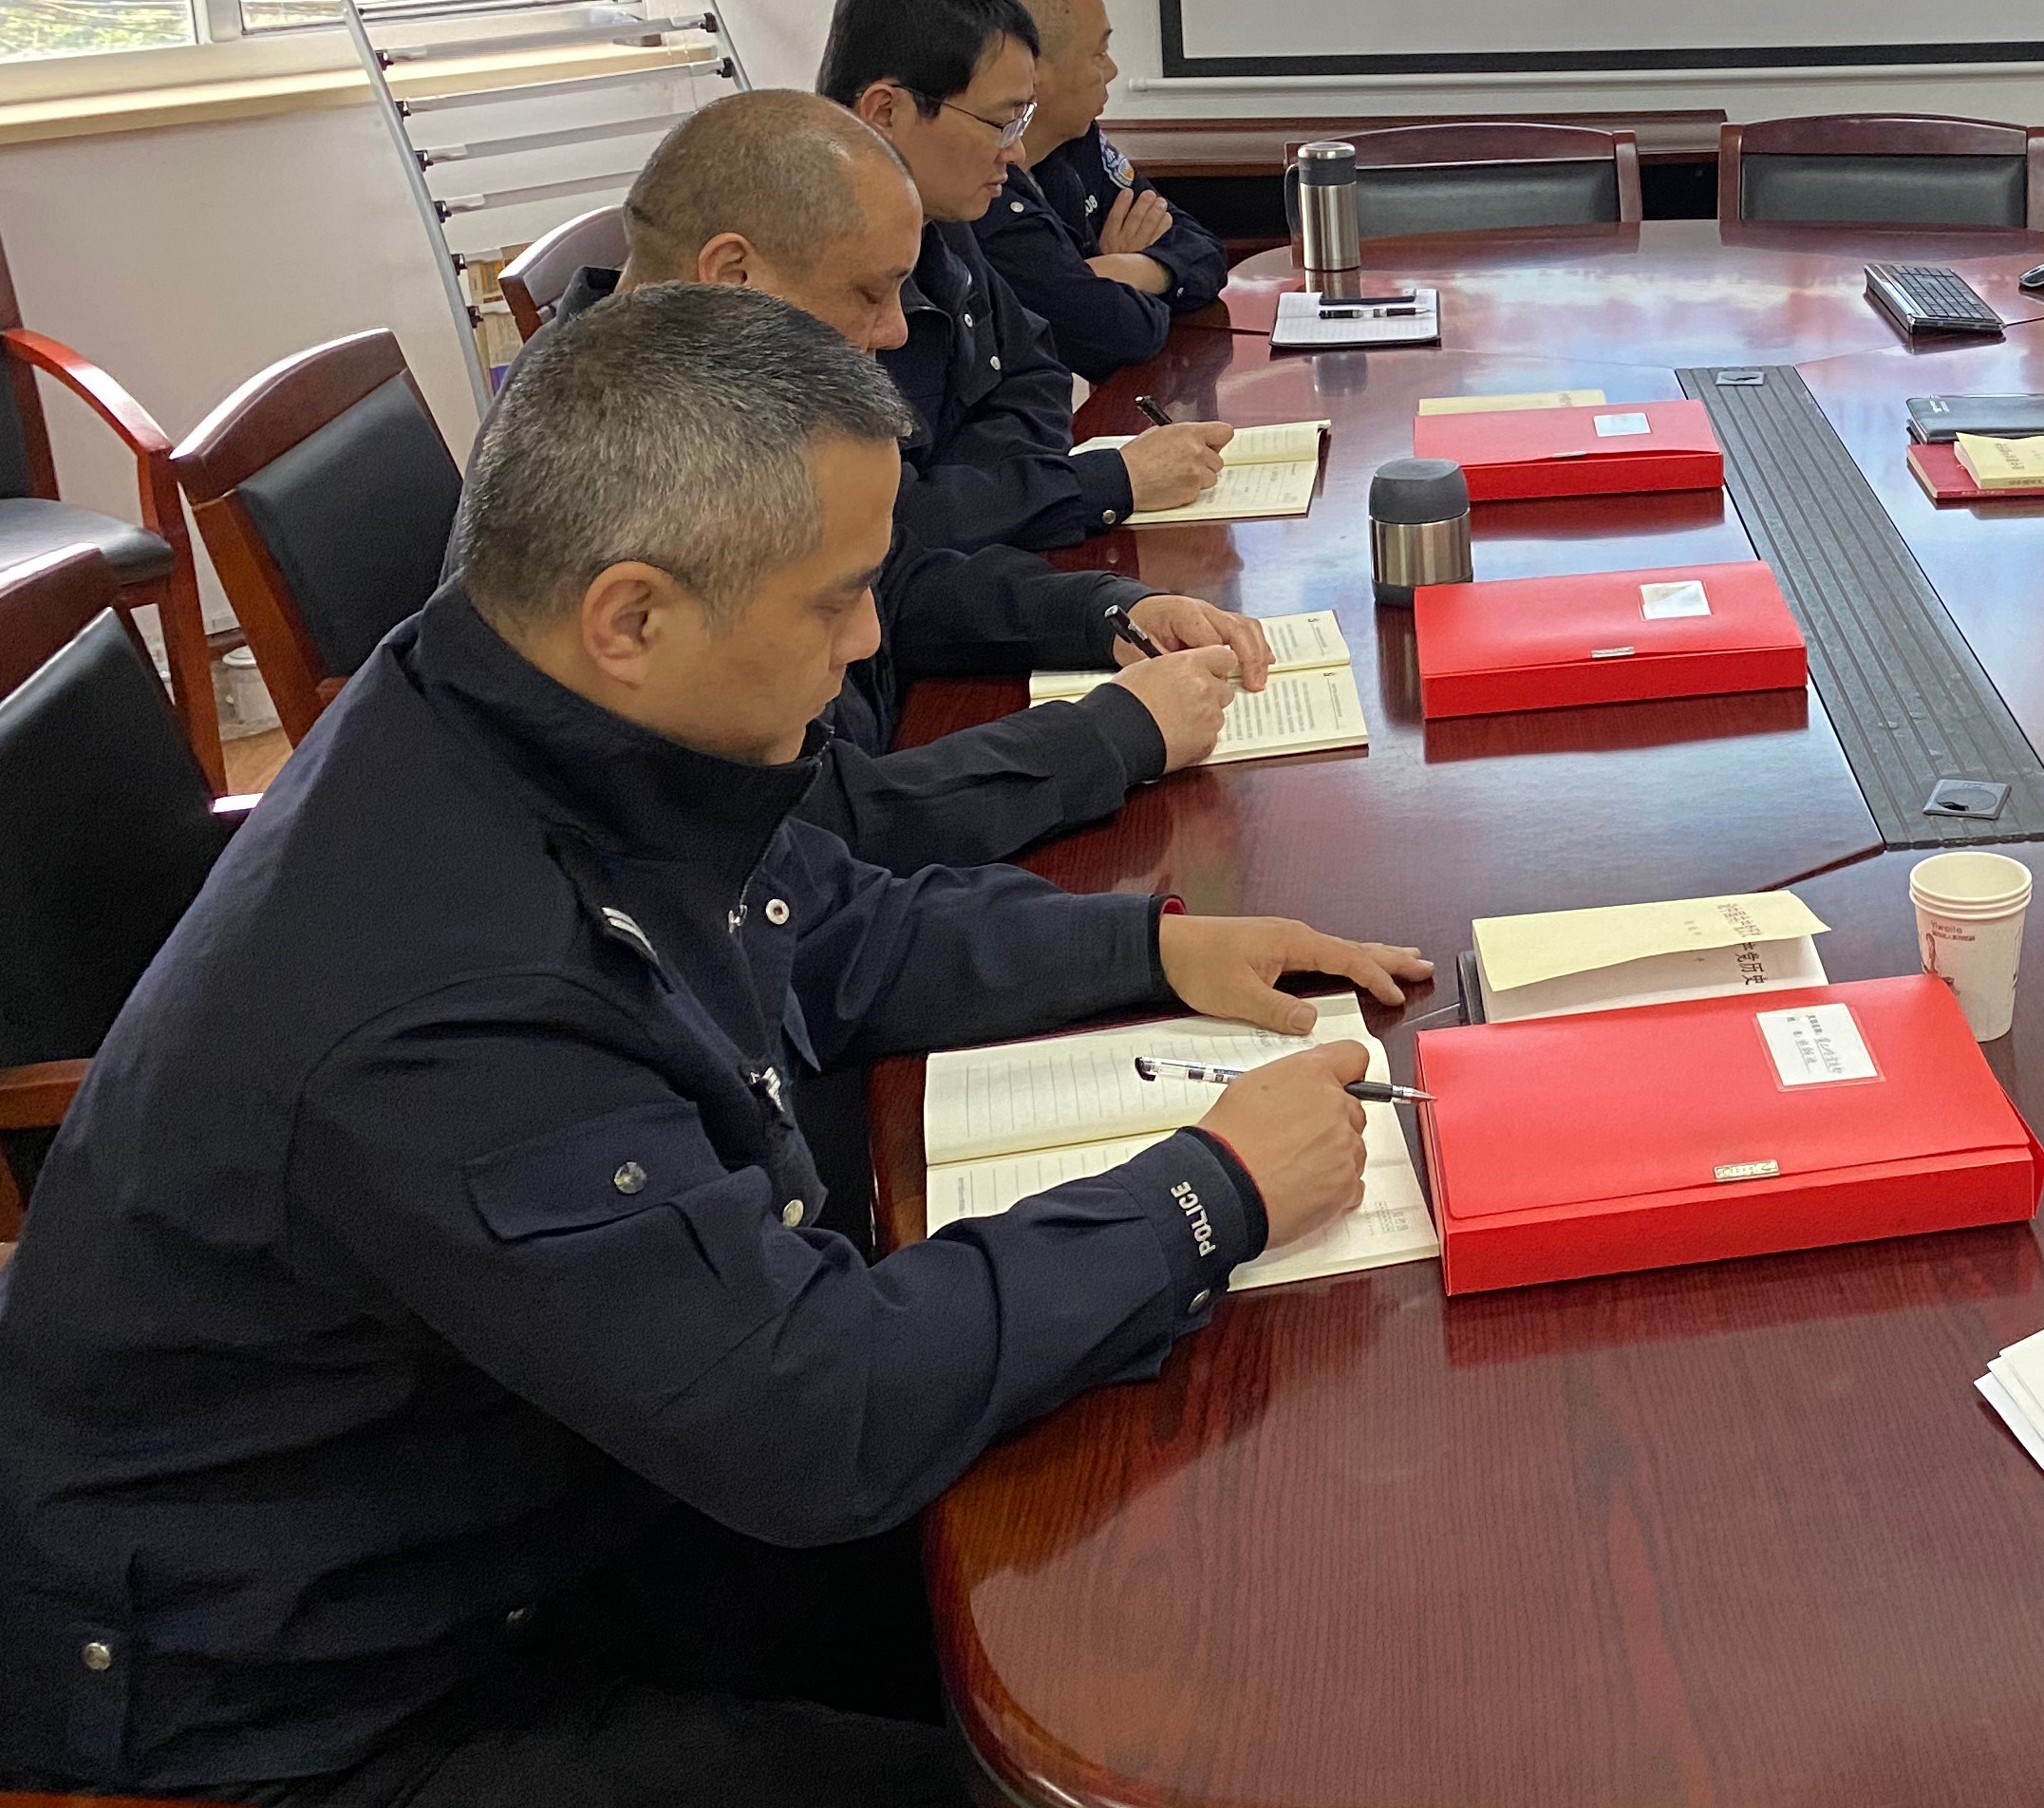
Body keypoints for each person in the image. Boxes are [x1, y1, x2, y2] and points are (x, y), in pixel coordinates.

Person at [0, 284, 1432, 1804]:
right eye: (837, 600)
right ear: (632, 616)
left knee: (1180, 1587)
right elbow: (818, 1416)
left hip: (546, 1476)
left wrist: (1146, 946)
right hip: (324, 1688)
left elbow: (820, 928)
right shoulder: (449, 1005)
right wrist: (1207, 1192)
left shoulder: (524, 702)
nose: (870, 637)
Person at [583, 88, 1259, 872]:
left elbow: (896, 585)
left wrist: (1108, 610)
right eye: (870, 294)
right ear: (734, 275)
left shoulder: (719, 394)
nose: (898, 330)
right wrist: (1109, 736)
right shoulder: (622, 468)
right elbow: (805, 836)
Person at [815, 0, 1238, 554]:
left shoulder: (944, 219)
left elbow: (1037, 374)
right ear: (886, 112)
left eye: (1021, 121)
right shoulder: (804, 273)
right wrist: (1094, 484)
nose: (1013, 154)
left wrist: (983, 495)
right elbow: (884, 525)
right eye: (999, 122)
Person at [955, 0, 1228, 378]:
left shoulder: (1075, 140)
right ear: (1029, 68)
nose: (1113, 70)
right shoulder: (974, 188)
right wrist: (1104, 287)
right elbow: (1120, 333)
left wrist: (1129, 268)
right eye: (1098, 54)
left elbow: (1203, 250)